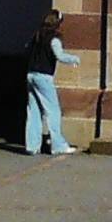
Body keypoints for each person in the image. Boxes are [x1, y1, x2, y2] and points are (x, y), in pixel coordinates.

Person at [23, 10, 78, 156]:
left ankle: (32, 145)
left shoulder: (37, 36)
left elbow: (27, 49)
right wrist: (74, 59)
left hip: (31, 74)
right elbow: (60, 56)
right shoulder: (54, 39)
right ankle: (58, 145)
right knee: (53, 111)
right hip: (44, 77)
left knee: (33, 111)